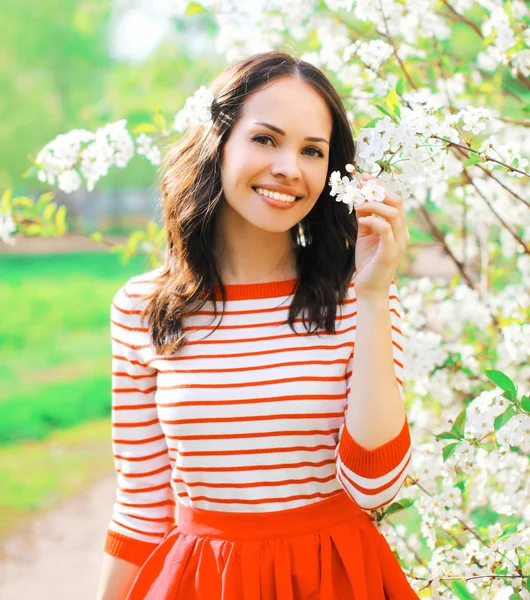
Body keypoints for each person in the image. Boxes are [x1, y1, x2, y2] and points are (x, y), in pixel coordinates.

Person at [96, 51, 418, 600]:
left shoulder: (359, 297)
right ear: (216, 143)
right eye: (265, 139)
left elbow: (375, 484)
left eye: (312, 151)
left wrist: (368, 293)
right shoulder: (142, 307)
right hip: (204, 583)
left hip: (334, 579)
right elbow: (141, 507)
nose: (289, 167)